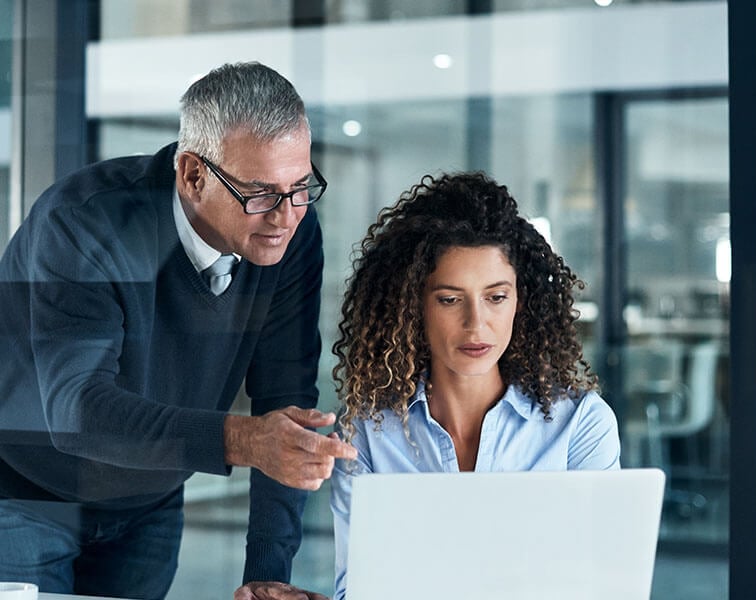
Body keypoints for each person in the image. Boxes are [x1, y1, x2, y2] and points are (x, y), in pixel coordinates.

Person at [0, 62, 356, 600]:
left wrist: (267, 569)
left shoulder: (289, 234)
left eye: (301, 187)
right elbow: (77, 411)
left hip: (151, 498)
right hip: (27, 494)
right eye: (261, 193)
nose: (285, 216)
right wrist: (243, 440)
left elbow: (285, 401)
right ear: (193, 175)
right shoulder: (85, 222)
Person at [329, 171, 621, 599]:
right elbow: (354, 589)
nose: (476, 323)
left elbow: (605, 587)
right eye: (449, 299)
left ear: (521, 300)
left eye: (496, 297)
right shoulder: (367, 432)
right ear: (413, 306)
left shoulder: (580, 425)